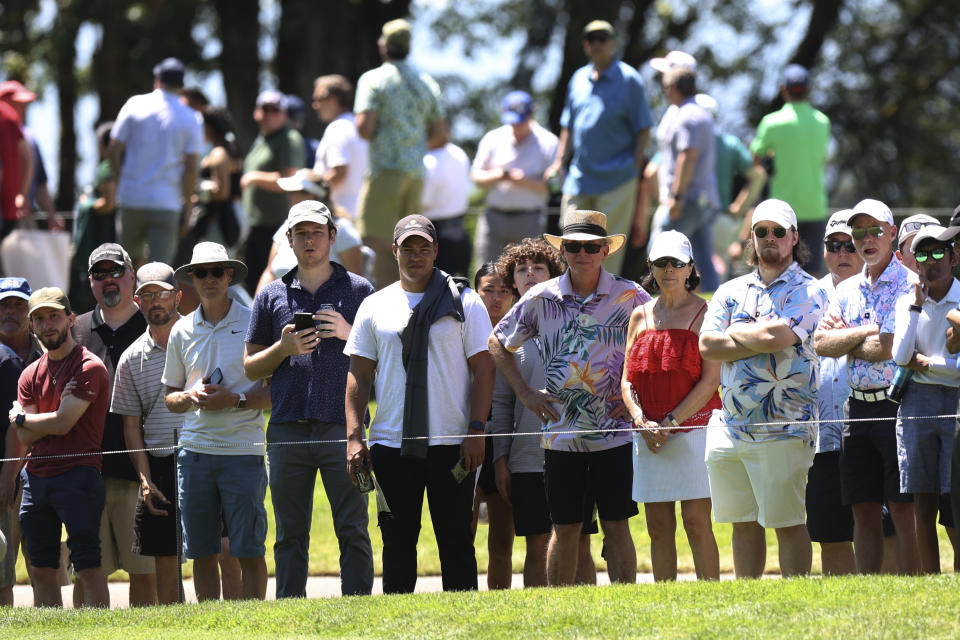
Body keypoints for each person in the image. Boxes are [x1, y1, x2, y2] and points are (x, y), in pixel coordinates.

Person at [489, 210, 650, 586]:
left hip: (617, 433)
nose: (582, 253)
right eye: (574, 246)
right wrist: (526, 393)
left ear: (605, 250)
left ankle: (627, 605)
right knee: (564, 527)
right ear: (564, 251)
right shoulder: (541, 297)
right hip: (560, 435)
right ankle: (558, 605)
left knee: (616, 525)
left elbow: (655, 343)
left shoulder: (631, 295)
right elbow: (498, 341)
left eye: (591, 246)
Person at [344, 215, 494, 593]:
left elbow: (485, 368)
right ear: (394, 251)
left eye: (423, 248)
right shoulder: (375, 305)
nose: (416, 256)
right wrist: (353, 437)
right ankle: (400, 624)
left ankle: (464, 627)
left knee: (457, 542)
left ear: (436, 251)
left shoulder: (465, 300)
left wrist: (477, 430)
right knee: (396, 543)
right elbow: (358, 375)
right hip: (391, 445)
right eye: (407, 248)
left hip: (453, 444)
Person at [244, 200, 375, 598]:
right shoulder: (271, 295)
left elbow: (381, 362)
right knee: (289, 533)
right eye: (301, 233)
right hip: (286, 429)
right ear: (289, 240)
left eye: (317, 232)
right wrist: (282, 349)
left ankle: (357, 609)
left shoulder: (360, 290)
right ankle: (289, 610)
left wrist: (348, 331)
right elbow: (250, 367)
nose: (309, 240)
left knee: (352, 527)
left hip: (344, 428)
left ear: (333, 237)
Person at [699, 198, 826, 578]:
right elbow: (707, 344)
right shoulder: (729, 289)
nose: (769, 238)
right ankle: (750, 599)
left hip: (784, 426)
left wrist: (735, 333)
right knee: (742, 522)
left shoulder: (810, 289)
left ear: (794, 238)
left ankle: (795, 596)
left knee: (787, 522)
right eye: (761, 231)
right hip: (732, 426)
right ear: (752, 237)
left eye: (778, 231)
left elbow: (779, 336)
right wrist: (760, 336)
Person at [813, 198, 920, 575]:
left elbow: (890, 347)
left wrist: (852, 338)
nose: (866, 239)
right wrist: (870, 331)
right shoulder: (847, 289)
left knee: (903, 508)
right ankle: (869, 585)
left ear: (892, 234)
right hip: (856, 409)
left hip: (897, 405)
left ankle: (911, 584)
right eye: (859, 232)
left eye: (876, 230)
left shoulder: (908, 282)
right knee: (863, 506)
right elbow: (821, 344)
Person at [163, 242, 272, 600]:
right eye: (201, 272)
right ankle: (211, 627)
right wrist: (189, 397)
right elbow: (171, 397)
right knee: (202, 552)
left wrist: (235, 399)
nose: (209, 279)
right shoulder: (181, 331)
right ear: (191, 279)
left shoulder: (253, 321)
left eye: (216, 271)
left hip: (244, 451)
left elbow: (273, 396)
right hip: (194, 454)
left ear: (229, 275)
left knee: (250, 550)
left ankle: (254, 627)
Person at [489, 238, 599, 587]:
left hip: (579, 449)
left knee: (580, 542)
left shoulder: (570, 316)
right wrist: (501, 459)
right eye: (522, 270)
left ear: (553, 273)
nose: (530, 275)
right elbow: (503, 404)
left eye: (538, 268)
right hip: (527, 459)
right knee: (537, 543)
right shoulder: (507, 339)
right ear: (513, 281)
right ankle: (542, 617)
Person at [622, 230, 721, 581]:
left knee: (696, 522)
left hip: (693, 431)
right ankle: (665, 602)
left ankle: (711, 597)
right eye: (661, 262)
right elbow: (627, 380)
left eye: (677, 263)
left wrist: (670, 422)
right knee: (658, 527)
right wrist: (641, 421)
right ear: (651, 266)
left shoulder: (707, 313)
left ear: (690, 267)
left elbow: (711, 381)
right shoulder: (639, 316)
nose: (669, 269)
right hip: (648, 434)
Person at [12, 287, 110, 607]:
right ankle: (49, 629)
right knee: (41, 568)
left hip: (79, 474)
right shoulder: (29, 374)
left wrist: (25, 419)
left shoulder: (88, 366)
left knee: (87, 565)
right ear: (32, 326)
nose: (47, 324)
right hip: (36, 479)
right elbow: (25, 438)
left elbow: (63, 423)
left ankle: (97, 630)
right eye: (39, 319)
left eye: (54, 316)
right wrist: (37, 423)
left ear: (70, 319)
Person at [72, 242, 155, 607]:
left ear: (132, 276)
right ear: (90, 282)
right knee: (87, 572)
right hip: (87, 474)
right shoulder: (75, 329)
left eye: (116, 272)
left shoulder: (154, 323)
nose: (109, 280)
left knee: (146, 572)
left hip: (144, 473)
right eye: (99, 274)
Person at [545, 20, 654, 276]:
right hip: (579, 176)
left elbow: (645, 129)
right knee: (569, 238)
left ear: (612, 43)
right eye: (591, 39)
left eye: (602, 38)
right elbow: (568, 126)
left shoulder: (630, 80)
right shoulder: (578, 79)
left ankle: (605, 308)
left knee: (606, 247)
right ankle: (570, 303)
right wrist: (560, 161)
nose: (596, 43)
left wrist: (633, 166)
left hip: (618, 177)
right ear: (585, 45)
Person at [110, 263, 184, 604]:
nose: (156, 302)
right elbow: (130, 426)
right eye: (148, 295)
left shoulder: (200, 340)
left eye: (163, 294)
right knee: (165, 558)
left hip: (203, 455)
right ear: (137, 301)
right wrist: (144, 478)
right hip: (159, 464)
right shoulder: (129, 359)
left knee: (219, 547)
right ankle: (176, 627)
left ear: (178, 297)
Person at [354, 18, 443, 290]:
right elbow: (440, 133)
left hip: (385, 173)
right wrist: (412, 145)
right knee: (411, 242)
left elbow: (364, 128)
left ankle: (375, 301)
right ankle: (411, 298)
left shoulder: (374, 80)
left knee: (374, 243)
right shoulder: (426, 82)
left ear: (384, 46)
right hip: (415, 174)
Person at [892, 224, 960, 574]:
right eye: (922, 254)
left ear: (954, 256)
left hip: (956, 404)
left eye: (938, 253)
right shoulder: (908, 300)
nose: (930, 262)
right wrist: (917, 307)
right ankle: (930, 577)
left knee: (955, 497)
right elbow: (901, 355)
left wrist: (928, 365)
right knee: (923, 498)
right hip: (916, 403)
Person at [808, 210, 862, 576]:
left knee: (883, 526)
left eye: (850, 244)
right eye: (833, 245)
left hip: (869, 428)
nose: (842, 252)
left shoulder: (880, 290)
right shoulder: (807, 295)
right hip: (819, 436)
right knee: (831, 533)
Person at [109, 57, 205, 265]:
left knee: (126, 267)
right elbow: (191, 168)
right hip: (167, 202)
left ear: (158, 80)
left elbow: (114, 149)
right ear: (181, 86)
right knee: (160, 270)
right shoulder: (191, 117)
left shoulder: (134, 104)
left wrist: (120, 179)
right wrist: (188, 207)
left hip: (132, 197)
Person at [749, 64, 830, 275]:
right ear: (808, 89)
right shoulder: (823, 122)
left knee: (778, 271)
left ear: (783, 89)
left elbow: (756, 159)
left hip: (782, 210)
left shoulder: (772, 122)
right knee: (812, 274)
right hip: (815, 206)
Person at [647, 66, 720, 291]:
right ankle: (712, 309)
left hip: (687, 199)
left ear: (674, 88)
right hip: (703, 199)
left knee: (659, 250)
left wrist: (677, 197)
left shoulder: (686, 117)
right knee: (703, 258)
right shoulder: (701, 114)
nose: (664, 92)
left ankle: (657, 308)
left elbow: (688, 156)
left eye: (665, 87)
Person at [471, 90, 558, 264]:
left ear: (531, 115)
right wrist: (498, 175)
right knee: (487, 276)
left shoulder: (549, 142)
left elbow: (554, 187)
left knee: (529, 277)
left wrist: (523, 181)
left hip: (529, 219)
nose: (516, 127)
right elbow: (476, 178)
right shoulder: (493, 138)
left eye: (520, 122)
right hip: (493, 218)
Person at [471, 263, 515, 589]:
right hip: (468, 440)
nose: (496, 298)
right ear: (476, 292)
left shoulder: (521, 334)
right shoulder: (462, 330)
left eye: (504, 290)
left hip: (506, 444)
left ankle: (499, 610)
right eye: (488, 290)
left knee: (501, 542)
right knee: (461, 537)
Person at [255, 170, 366, 292]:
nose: (288, 196)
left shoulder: (343, 229)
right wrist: (256, 306)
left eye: (294, 192)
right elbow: (269, 271)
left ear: (311, 197)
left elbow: (357, 284)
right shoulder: (287, 225)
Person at [240, 90, 306, 293]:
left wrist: (254, 177)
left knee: (272, 284)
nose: (269, 114)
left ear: (284, 114)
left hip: (276, 225)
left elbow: (290, 178)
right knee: (252, 284)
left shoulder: (289, 138)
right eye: (265, 109)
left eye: (275, 110)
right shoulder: (262, 139)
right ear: (256, 112)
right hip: (255, 225)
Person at [0, 278, 35, 606]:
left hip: (45, 472)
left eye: (18, 305)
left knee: (43, 565)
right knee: (3, 568)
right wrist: (7, 477)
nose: (10, 312)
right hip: (5, 477)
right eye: (3, 305)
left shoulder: (49, 348)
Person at [0, 81, 64, 231]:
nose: (23, 109)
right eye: (17, 103)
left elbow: (40, 184)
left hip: (23, 220)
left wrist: (52, 216)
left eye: (25, 104)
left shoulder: (30, 139)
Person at [312, 75, 368, 218]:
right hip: (360, 212)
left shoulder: (337, 128)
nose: (315, 105)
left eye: (318, 99)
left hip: (341, 214)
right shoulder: (356, 126)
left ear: (333, 100)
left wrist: (310, 189)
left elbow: (339, 171)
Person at [422, 121, 472, 276]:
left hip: (435, 235)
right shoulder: (459, 153)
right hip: (459, 230)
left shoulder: (428, 161)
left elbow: (424, 202)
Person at [0, 86, 32, 236]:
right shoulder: (8, 115)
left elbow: (27, 157)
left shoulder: (8, 117)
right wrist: (21, 194)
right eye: (18, 104)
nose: (23, 109)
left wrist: (21, 194)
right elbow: (28, 157)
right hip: (8, 208)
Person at [285, 95, 319, 169]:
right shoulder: (271, 141)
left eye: (300, 119)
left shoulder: (313, 146)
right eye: (295, 118)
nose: (298, 123)